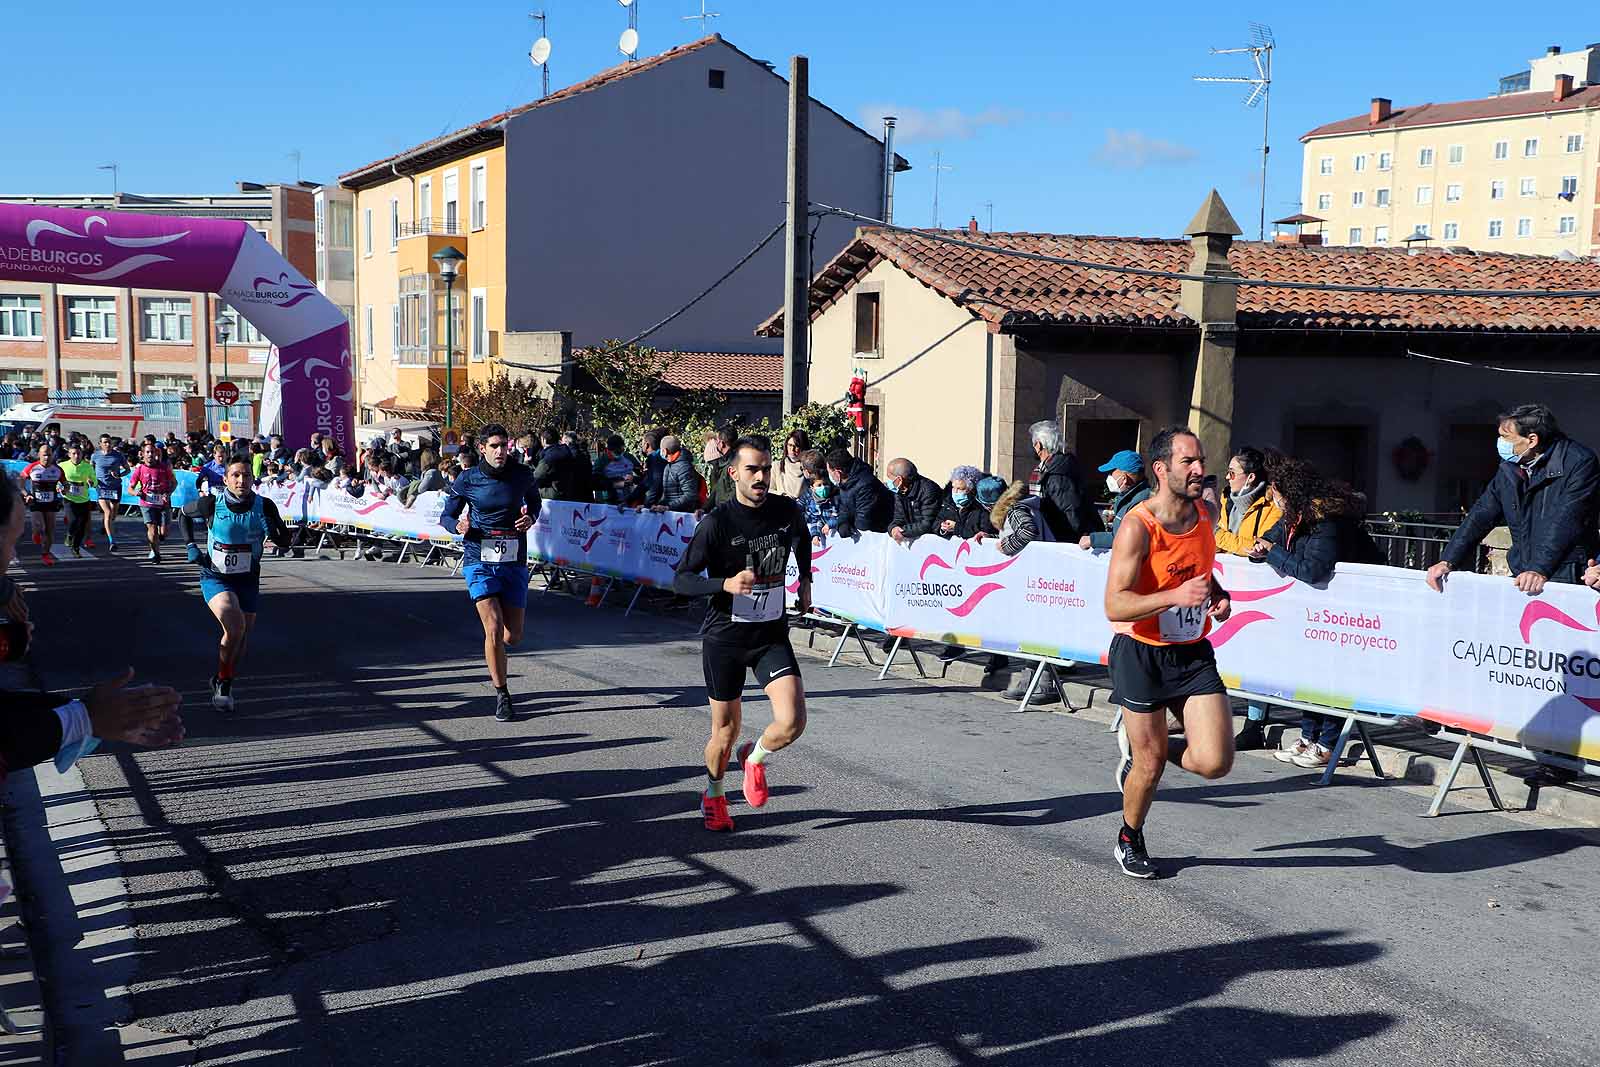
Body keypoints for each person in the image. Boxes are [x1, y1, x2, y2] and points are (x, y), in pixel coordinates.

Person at [1105, 427, 1234, 880]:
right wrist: (1173, 597)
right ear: (1161, 470)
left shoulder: (1205, 515)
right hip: (1140, 652)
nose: (1200, 469)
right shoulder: (1138, 526)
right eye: (1188, 462)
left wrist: (1216, 594)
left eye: (1200, 460)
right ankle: (1129, 836)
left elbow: (1200, 571)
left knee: (1216, 762)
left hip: (1191, 652)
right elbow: (1114, 604)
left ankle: (1146, 749)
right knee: (1150, 764)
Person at [672, 435, 812, 832]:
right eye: (752, 469)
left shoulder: (786, 510)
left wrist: (804, 578)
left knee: (792, 721)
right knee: (725, 732)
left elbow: (800, 536)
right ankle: (714, 794)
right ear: (734, 472)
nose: (761, 477)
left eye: (766, 469)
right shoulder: (716, 523)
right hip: (726, 638)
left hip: (769, 635)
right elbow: (681, 580)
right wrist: (724, 585)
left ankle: (755, 759)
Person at [1247, 456, 1384, 770]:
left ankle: (1327, 742)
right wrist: (1262, 548)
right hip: (1315, 611)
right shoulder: (1294, 517)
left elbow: (1311, 569)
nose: (1273, 500)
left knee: (1332, 676)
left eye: (1276, 494)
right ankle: (1308, 736)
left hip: (1347, 609)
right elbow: (1272, 540)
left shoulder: (1325, 520)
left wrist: (1272, 554)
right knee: (1309, 674)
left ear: (1291, 494)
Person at [1428, 403, 1600, 598]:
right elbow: (1482, 513)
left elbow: (1567, 520)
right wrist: (1448, 560)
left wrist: (1539, 569)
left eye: (1505, 437)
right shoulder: (1511, 467)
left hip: (1565, 572)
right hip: (1522, 571)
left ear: (1532, 440)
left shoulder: (1579, 462)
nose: (1500, 442)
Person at [439, 424, 542, 722]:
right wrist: (456, 526)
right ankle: (502, 694)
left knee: (513, 636)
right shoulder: (468, 478)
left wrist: (530, 517)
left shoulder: (522, 474)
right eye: (494, 446)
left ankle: (501, 670)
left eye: (504, 446)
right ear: (482, 448)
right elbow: (447, 514)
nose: (500, 451)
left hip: (513, 559)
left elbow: (534, 501)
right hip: (478, 558)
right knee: (494, 628)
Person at [181, 455, 292, 712]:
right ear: (226, 478)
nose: (242, 480)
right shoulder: (211, 504)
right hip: (216, 576)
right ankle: (224, 685)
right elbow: (184, 515)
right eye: (236, 475)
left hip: (248, 577)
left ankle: (223, 678)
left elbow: (285, 540)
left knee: (241, 637)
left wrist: (277, 533)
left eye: (246, 476)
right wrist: (190, 545)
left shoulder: (264, 505)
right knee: (235, 624)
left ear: (253, 479)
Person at [980, 478, 1060, 702]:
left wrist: (1006, 545)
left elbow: (1027, 532)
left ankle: (1044, 682)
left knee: (1038, 629)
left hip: (1037, 576)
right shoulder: (1017, 508)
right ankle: (1029, 678)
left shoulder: (1015, 510)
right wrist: (993, 538)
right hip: (1033, 577)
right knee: (1030, 629)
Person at [1029, 419, 1101, 543]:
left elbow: (1071, 512)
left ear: (1039, 445)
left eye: (1034, 443)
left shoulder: (1056, 475)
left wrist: (1075, 540)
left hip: (1065, 540)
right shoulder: (1058, 467)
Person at [1213, 446, 1282, 557]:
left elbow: (1258, 546)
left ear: (1250, 477)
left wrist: (1217, 534)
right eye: (1227, 472)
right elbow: (1222, 546)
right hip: (1228, 570)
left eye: (1232, 473)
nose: (1227, 477)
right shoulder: (1226, 499)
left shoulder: (1272, 505)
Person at [1084, 450, 1152, 551]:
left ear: (1124, 479)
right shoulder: (1129, 497)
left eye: (1111, 473)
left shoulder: (1140, 503)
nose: (1109, 477)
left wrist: (1093, 539)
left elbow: (1127, 539)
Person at [824, 448, 892, 538]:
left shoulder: (866, 484)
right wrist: (843, 522)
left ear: (838, 473)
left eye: (830, 473)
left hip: (881, 534)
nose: (830, 476)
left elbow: (864, 521)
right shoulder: (845, 483)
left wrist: (852, 526)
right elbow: (844, 507)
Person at [130, 441, 177, 563]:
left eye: (152, 452)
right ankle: (155, 553)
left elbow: (174, 483)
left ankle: (158, 540)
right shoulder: (139, 469)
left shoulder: (163, 468)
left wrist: (168, 493)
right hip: (146, 503)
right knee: (152, 528)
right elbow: (130, 488)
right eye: (147, 452)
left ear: (156, 453)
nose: (150, 454)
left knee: (163, 532)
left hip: (163, 502)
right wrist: (136, 493)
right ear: (143, 454)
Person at [20, 443, 65, 565]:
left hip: (51, 503)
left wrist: (63, 488)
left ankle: (46, 554)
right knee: (39, 526)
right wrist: (26, 494)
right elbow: (21, 482)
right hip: (36, 502)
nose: (47, 457)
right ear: (39, 455)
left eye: (49, 455)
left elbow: (65, 484)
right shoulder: (32, 467)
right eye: (44, 455)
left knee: (50, 530)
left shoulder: (57, 470)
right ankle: (35, 533)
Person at [886, 458, 943, 543]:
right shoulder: (900, 491)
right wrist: (893, 528)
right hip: (914, 539)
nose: (888, 482)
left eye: (890, 478)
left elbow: (927, 523)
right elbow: (898, 517)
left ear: (900, 480)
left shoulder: (929, 490)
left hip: (932, 543)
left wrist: (903, 531)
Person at [93, 434, 130, 552]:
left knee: (113, 514)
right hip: (102, 487)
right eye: (105, 442)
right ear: (100, 444)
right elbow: (90, 469)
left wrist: (119, 475)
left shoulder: (118, 455)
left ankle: (106, 524)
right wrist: (90, 478)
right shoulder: (95, 455)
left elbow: (127, 469)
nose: (107, 444)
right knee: (108, 512)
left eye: (109, 442)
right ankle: (112, 541)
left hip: (115, 487)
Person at [935, 466, 993, 541]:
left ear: (971, 490)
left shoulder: (981, 509)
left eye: (959, 489)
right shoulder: (947, 504)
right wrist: (942, 527)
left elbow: (983, 532)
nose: (955, 492)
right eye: (953, 487)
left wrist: (956, 528)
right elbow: (935, 523)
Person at [60, 442, 96, 557]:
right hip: (69, 498)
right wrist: (59, 487)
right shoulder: (62, 466)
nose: (76, 456)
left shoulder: (87, 466)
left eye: (78, 453)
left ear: (81, 454)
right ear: (69, 455)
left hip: (84, 499)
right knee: (73, 520)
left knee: (82, 525)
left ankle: (76, 548)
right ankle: (70, 535)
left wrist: (92, 482)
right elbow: (57, 480)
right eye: (73, 453)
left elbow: (95, 481)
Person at [655, 434, 703, 512]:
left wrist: (668, 507)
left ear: (665, 451)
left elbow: (690, 495)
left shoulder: (684, 467)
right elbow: (667, 495)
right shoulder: (668, 466)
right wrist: (658, 506)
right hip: (671, 513)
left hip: (682, 515)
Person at [799, 450, 840, 538]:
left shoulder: (834, 495)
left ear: (808, 472)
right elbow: (800, 509)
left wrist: (829, 524)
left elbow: (838, 514)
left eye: (802, 469)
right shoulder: (808, 493)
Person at [592, 434, 641, 506]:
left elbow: (643, 477)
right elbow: (595, 483)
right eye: (615, 452)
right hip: (609, 502)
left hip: (629, 501)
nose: (618, 454)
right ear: (608, 449)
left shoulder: (629, 457)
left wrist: (633, 479)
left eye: (620, 451)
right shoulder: (601, 462)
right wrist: (615, 484)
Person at [703, 426, 738, 509]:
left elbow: (736, 494)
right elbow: (717, 489)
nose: (716, 444)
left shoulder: (735, 463)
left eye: (717, 441)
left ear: (722, 444)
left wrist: (721, 510)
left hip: (729, 513)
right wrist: (704, 509)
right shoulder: (725, 462)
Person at [775, 429, 810, 498]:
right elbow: (769, 490)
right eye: (790, 445)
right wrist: (782, 495)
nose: (792, 449)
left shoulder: (810, 468)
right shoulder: (777, 466)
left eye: (796, 446)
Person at [639, 430, 667, 507]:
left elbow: (655, 485)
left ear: (646, 445)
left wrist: (647, 505)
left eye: (642, 443)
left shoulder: (655, 459)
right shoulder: (662, 458)